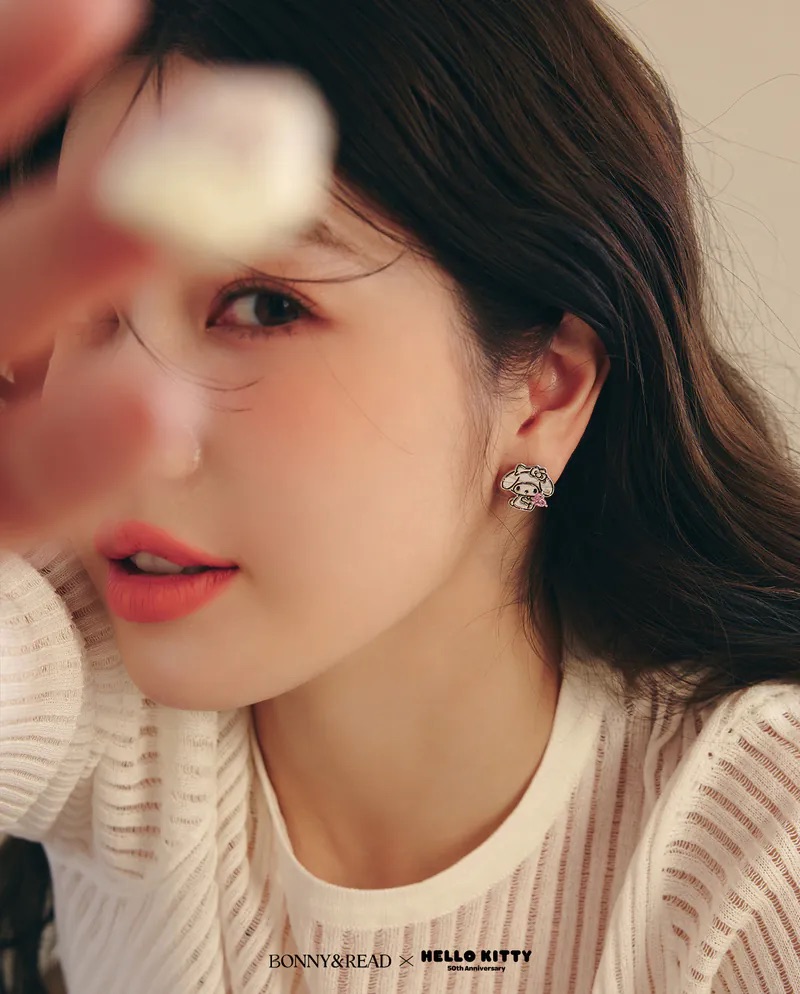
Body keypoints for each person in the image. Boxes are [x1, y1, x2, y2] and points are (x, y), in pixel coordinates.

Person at [0, 0, 799, 991]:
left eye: (262, 306)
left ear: (547, 389)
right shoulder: (90, 680)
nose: (132, 444)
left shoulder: (755, 852)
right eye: (94, 307)